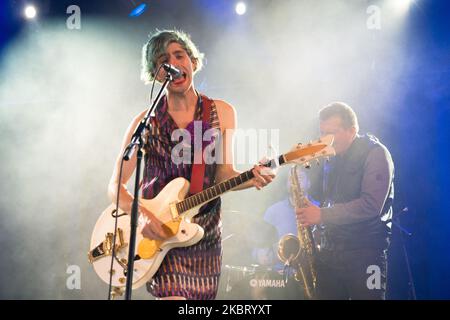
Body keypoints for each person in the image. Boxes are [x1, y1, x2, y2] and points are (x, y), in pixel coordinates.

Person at [107, 29, 275, 300]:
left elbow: (223, 176)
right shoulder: (146, 122)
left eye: (179, 55)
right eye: (163, 60)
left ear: (193, 62)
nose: (173, 64)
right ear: (155, 75)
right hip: (159, 232)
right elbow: (115, 187)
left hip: (204, 234)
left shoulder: (221, 112)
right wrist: (145, 216)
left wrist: (251, 177)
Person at [296, 102, 394, 300]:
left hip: (365, 254)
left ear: (352, 130)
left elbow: (371, 206)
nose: (326, 140)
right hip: (330, 253)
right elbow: (325, 198)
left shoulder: (376, 153)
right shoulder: (330, 158)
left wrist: (321, 215)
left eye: (332, 133)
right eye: (323, 133)